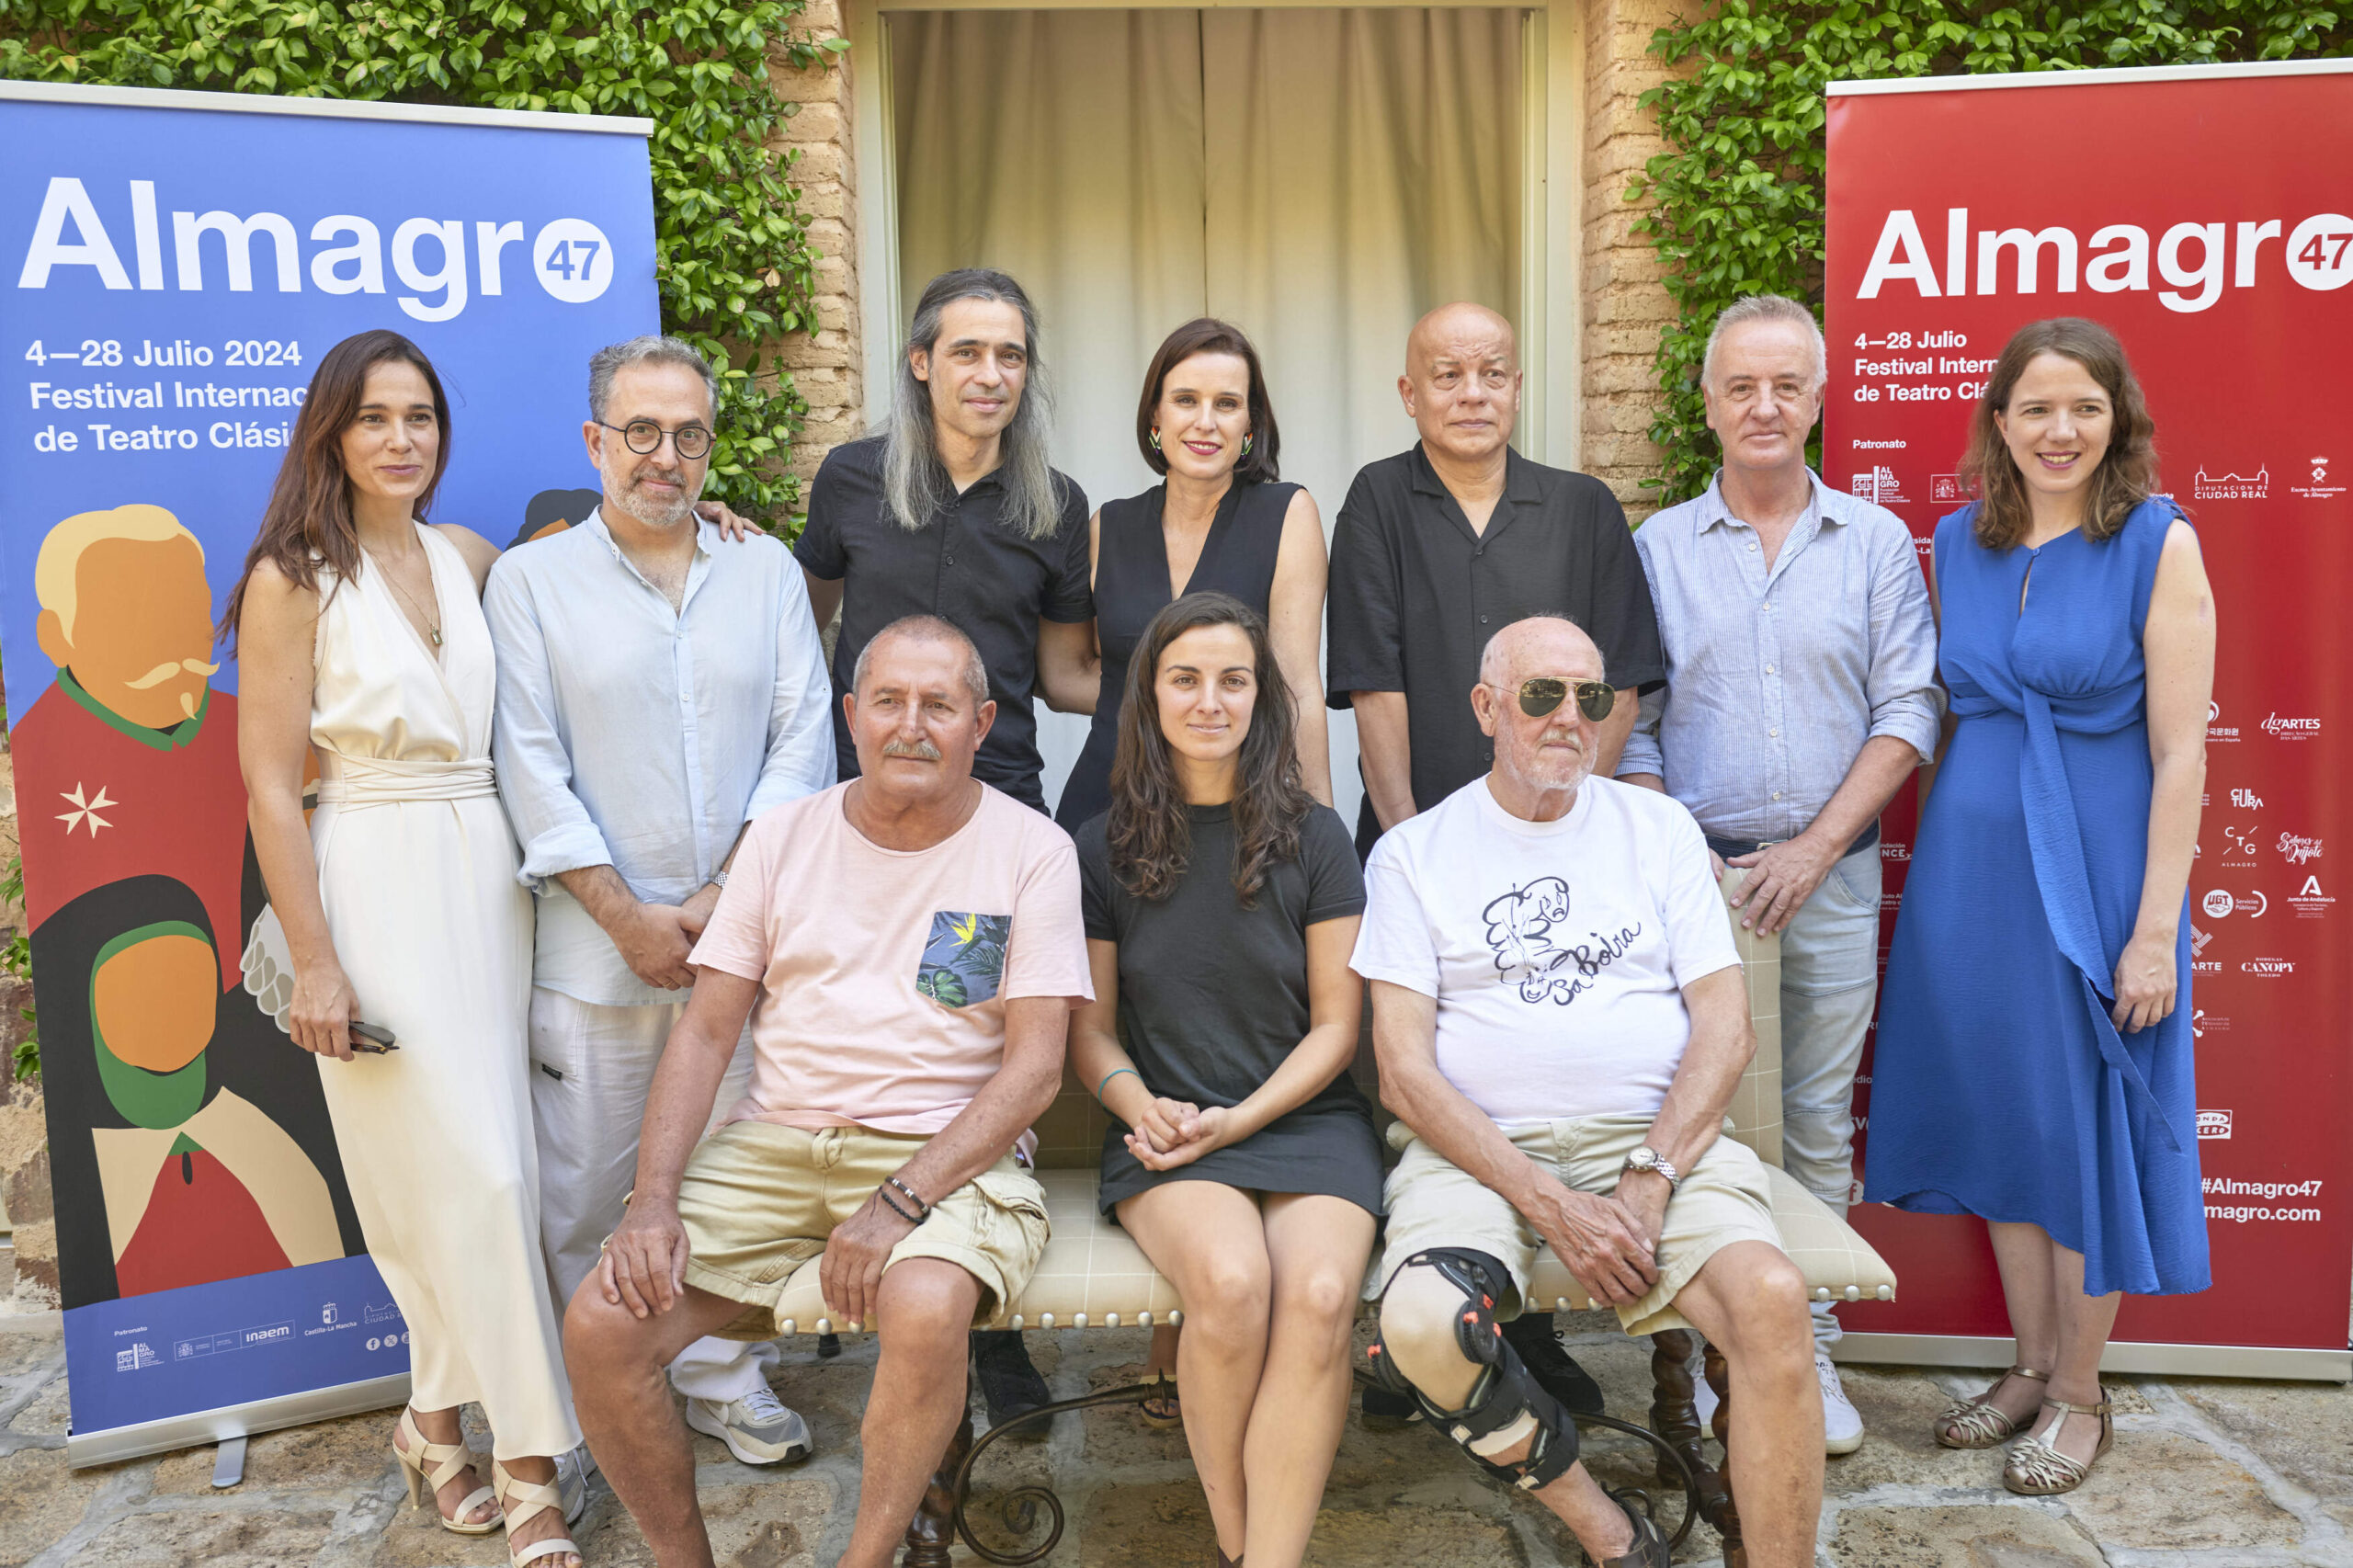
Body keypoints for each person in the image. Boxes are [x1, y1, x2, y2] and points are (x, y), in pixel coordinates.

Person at [562, 616, 1092, 1568]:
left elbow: (1034, 1070)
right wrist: (650, 1201)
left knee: (926, 1303)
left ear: (983, 721)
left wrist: (896, 1201)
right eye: (888, 700)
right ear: (852, 714)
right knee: (602, 1326)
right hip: (775, 1143)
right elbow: (708, 1029)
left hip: (942, 1157)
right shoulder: (782, 837)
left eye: (939, 704)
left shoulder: (1032, 849)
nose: (911, 725)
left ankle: (867, 1557)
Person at [1353, 614, 1823, 1568]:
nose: (1569, 716)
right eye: (1541, 694)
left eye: (1589, 696)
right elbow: (1402, 1071)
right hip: (1476, 1153)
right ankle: (1609, 1531)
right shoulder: (1414, 852)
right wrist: (1549, 1202)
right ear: (1488, 707)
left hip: (1658, 1140)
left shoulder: (1657, 828)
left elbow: (1724, 1028)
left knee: (1772, 1299)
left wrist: (1647, 1179)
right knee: (1420, 1325)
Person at [228, 330, 584, 1568]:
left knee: (487, 1178)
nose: (401, 438)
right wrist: (317, 963)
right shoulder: (291, 575)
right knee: (473, 1179)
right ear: (331, 431)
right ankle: (533, 1463)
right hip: (370, 872)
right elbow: (273, 790)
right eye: (374, 417)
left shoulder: (469, 555)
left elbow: (603, 561)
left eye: (420, 416)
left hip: (489, 873)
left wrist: (725, 532)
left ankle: (433, 1422)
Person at [1866, 318, 2212, 1494]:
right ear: (1998, 424)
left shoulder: (2158, 542)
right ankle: (2025, 1362)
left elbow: (2180, 755)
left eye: (2084, 408)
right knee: (2001, 1113)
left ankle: (2078, 1390)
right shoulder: (1956, 541)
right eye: (2035, 409)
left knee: (2081, 1125)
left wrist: (2154, 926)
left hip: (2100, 870)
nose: (2059, 431)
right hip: (1970, 875)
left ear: (2117, 420)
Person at [485, 335, 835, 1470]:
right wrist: (628, 916)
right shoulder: (529, 583)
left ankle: (723, 1376)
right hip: (589, 953)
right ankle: (605, 1400)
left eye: (688, 435)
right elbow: (527, 764)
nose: (664, 456)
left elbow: (801, 739)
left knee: (724, 1179)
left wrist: (726, 895)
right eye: (641, 431)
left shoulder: (765, 570)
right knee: (589, 1187)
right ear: (596, 441)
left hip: (739, 952)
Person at [1616, 293, 1941, 1453]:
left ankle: (1802, 1350)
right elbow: (1633, 723)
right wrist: (1687, 856)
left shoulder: (1875, 543)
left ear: (1816, 399)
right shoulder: (1653, 548)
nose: (1764, 406)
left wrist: (1809, 851)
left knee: (1810, 1117)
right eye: (1740, 385)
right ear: (1706, 403)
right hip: (1693, 883)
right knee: (1702, 1113)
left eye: (1786, 386)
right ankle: (1711, 1349)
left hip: (1833, 875)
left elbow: (1908, 705)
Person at [1328, 300, 1665, 1415]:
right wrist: (1414, 834)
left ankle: (1529, 1322)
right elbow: (1371, 682)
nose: (1470, 391)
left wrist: (1572, 812)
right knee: (1413, 1071)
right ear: (1408, 390)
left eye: (1491, 372)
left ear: (1518, 385)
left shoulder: (1578, 506)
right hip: (1419, 840)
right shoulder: (1379, 498)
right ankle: (1416, 1310)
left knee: (1540, 1048)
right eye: (1446, 373)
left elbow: (1612, 686)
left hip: (1564, 846)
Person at [796, 267, 1092, 1422]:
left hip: (992, 824)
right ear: (921, 361)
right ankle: (896, 1285)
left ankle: (986, 1321)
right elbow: (806, 624)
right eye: (968, 352)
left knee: (967, 1044)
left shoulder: (1053, 504)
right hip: (864, 829)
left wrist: (1201, 677)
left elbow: (1066, 672)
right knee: (883, 1041)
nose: (989, 375)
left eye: (1010, 356)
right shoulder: (853, 479)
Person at [1070, 593, 1379, 1568]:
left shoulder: (1317, 837)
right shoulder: (1100, 844)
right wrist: (1140, 1104)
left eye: (1232, 679)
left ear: (1261, 697)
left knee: (1323, 1290)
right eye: (1185, 677)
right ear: (1149, 693)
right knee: (1235, 1280)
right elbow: (1091, 1028)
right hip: (1165, 1127)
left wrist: (1239, 1117)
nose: (1210, 699)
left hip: (1302, 1116)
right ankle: (1241, 1540)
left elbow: (1338, 1025)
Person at [1055, 318, 1331, 830]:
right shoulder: (1106, 527)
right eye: (1186, 400)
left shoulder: (1288, 513)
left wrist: (1322, 829)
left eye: (1226, 404)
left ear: (1250, 425)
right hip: (1108, 803)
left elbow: (1296, 685)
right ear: (1155, 417)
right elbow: (1064, 676)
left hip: (1237, 806)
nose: (1206, 421)